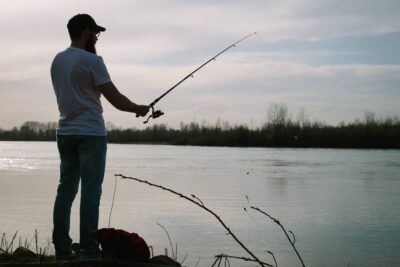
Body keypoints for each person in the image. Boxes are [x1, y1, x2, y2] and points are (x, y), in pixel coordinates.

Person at [50, 14, 149, 260]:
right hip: (91, 133)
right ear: (85, 31)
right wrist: (138, 108)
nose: (96, 37)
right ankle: (89, 251)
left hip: (65, 132)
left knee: (65, 192)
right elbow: (115, 99)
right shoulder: (92, 61)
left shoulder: (57, 60)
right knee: (91, 192)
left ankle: (62, 250)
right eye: (95, 32)